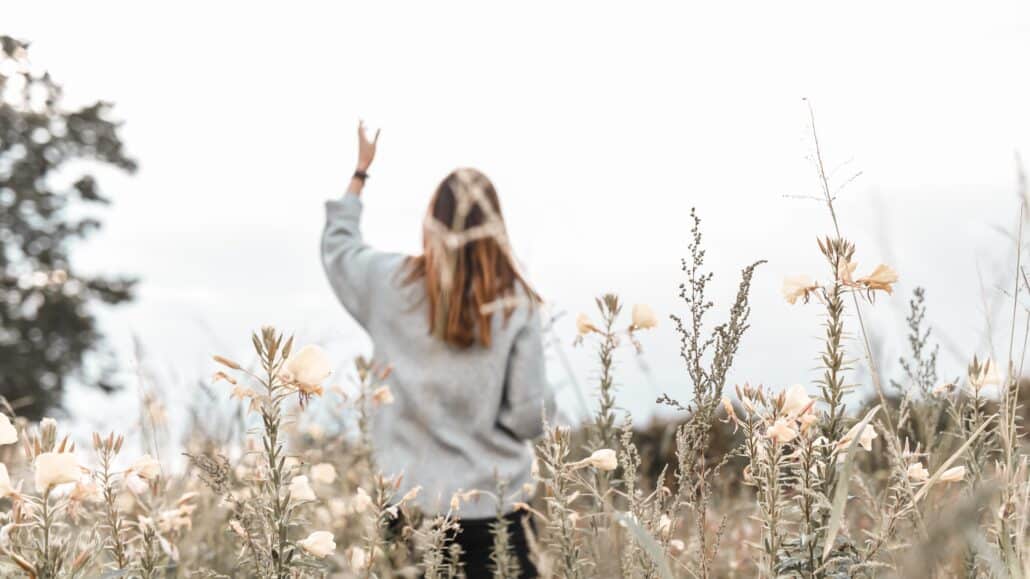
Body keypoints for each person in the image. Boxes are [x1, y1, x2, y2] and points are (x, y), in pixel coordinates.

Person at [321, 121, 555, 577]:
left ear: (432, 220)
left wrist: (360, 172)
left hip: (410, 513)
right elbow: (531, 416)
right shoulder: (515, 304)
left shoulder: (390, 284)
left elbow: (338, 247)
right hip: (498, 513)